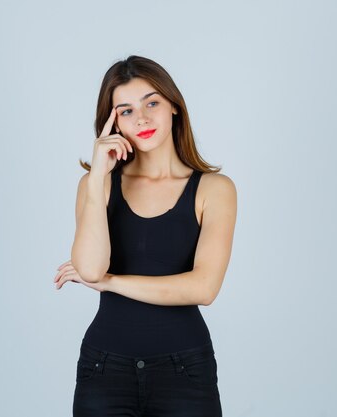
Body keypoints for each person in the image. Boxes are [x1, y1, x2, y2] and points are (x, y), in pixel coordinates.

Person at [53, 55, 237, 417]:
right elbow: (90, 269)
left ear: (174, 106)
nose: (142, 118)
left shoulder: (214, 189)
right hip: (105, 368)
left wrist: (112, 283)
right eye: (125, 110)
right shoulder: (96, 186)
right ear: (112, 122)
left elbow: (203, 288)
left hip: (184, 370)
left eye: (152, 102)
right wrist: (97, 178)